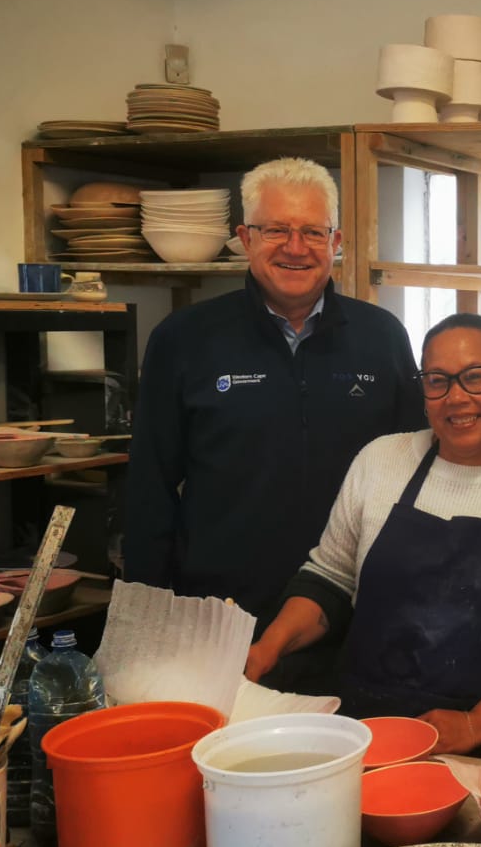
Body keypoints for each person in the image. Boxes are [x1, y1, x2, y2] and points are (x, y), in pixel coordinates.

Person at [124, 157, 424, 685]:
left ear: (336, 241)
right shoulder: (184, 339)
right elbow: (150, 488)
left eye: (312, 231)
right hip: (224, 621)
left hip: (356, 616)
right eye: (275, 230)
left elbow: (416, 478)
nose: (295, 246)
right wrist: (151, 621)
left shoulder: (383, 338)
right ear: (244, 237)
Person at [245, 313, 481, 752]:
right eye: (437, 380)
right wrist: (266, 650)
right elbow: (330, 579)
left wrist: (476, 723)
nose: (456, 398)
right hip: (364, 725)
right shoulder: (380, 460)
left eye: (476, 378)